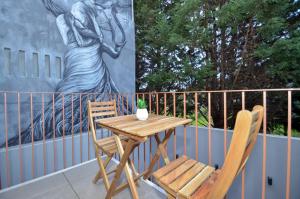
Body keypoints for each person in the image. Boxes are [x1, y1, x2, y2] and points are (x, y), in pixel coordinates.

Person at [7, 0, 130, 146]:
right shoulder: (76, 17)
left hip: (87, 64)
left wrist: (114, 35)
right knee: (70, 101)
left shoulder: (80, 25)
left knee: (88, 97)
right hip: (80, 63)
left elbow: (114, 52)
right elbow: (79, 37)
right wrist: (99, 35)